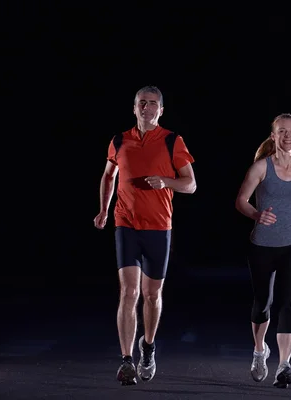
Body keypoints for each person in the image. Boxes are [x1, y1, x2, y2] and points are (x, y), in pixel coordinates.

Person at [93, 85, 197, 386]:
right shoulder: (119, 140)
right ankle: (126, 361)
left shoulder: (172, 141)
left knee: (152, 295)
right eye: (142, 103)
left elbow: (190, 184)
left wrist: (165, 181)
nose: (146, 108)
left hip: (159, 227)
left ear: (160, 110)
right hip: (125, 224)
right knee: (129, 292)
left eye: (153, 103)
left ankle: (147, 348)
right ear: (134, 107)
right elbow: (108, 175)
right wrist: (103, 210)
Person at [235, 113, 291, 388]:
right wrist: (257, 215)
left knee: (287, 305)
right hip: (262, 245)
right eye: (281, 131)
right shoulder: (261, 168)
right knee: (263, 304)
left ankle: (284, 366)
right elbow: (241, 201)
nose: (287, 136)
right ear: (273, 136)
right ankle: (260, 351)